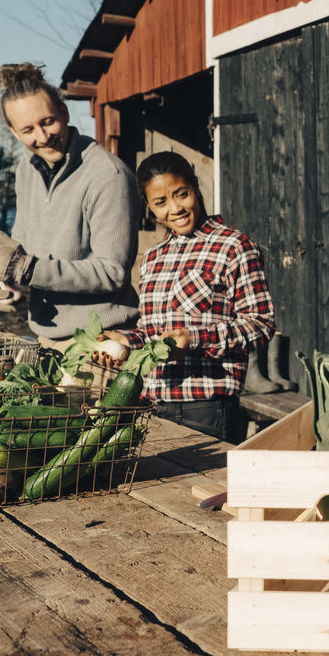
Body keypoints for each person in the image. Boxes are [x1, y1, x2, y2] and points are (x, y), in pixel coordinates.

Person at [93, 152, 275, 443]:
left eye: (182, 194)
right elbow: (154, 334)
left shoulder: (234, 246)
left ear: (195, 187)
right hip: (152, 404)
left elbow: (260, 325)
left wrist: (195, 338)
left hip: (209, 407)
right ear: (149, 206)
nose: (175, 208)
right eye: (161, 202)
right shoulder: (153, 258)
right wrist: (127, 340)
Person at [0, 64, 139, 343]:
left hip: (102, 342)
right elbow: (21, 243)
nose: (42, 136)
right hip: (45, 337)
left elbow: (112, 272)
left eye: (47, 121)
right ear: (14, 132)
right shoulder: (26, 168)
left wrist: (28, 269)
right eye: (28, 129)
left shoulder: (109, 176)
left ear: (64, 111)